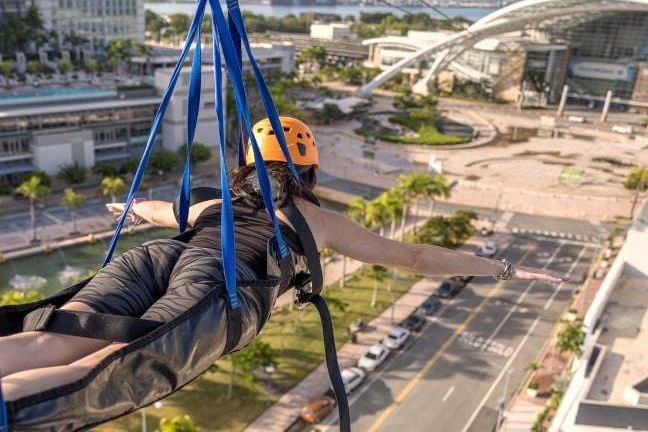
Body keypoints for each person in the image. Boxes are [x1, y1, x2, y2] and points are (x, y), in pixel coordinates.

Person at [0, 116, 568, 407]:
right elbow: (416, 257)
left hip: (154, 257)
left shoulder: (220, 200)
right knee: (111, 362)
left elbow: (157, 212)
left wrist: (126, 206)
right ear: (310, 175)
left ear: (250, 166)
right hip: (218, 277)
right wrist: (502, 269)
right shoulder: (314, 220)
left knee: (49, 339)